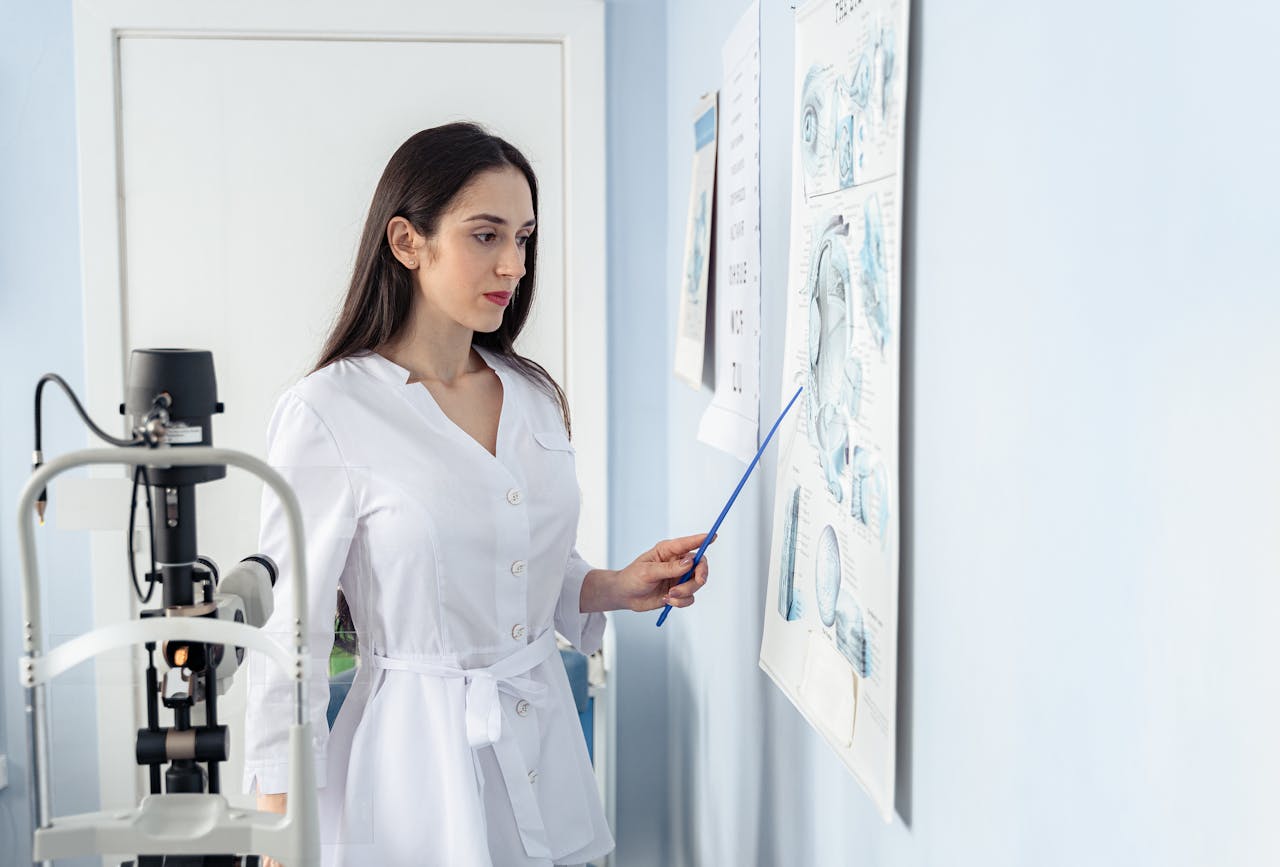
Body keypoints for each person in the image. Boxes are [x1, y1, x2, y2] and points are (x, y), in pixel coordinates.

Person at [242, 122, 710, 867]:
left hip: (544, 751)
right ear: (407, 242)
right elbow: (287, 645)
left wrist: (614, 586)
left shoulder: (529, 394)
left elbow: (512, 558)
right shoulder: (328, 413)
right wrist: (277, 836)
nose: (514, 264)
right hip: (411, 774)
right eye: (486, 235)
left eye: (524, 237)